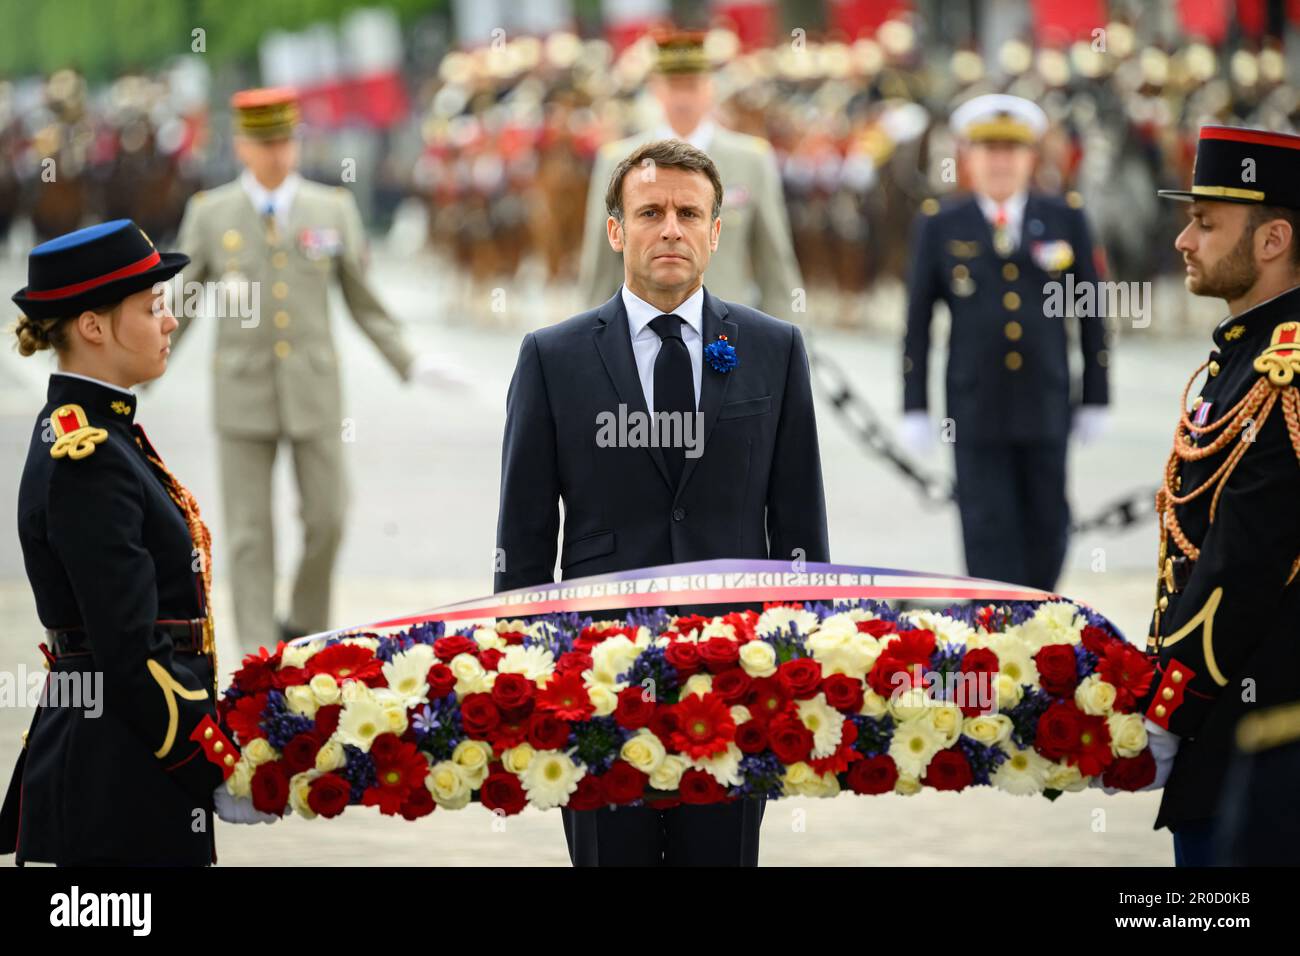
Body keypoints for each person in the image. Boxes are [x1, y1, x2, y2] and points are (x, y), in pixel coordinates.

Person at [495, 139, 828, 866]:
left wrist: (806, 662)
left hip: (740, 678)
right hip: (596, 684)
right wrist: (524, 675)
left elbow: (800, 523)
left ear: (716, 231)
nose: (670, 228)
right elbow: (523, 540)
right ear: (614, 230)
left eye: (688, 212)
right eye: (650, 212)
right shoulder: (553, 358)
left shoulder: (774, 349)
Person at [0, 220, 269, 867]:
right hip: (118, 774)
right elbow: (129, 648)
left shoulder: (104, 433)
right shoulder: (86, 457)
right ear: (93, 327)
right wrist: (212, 761)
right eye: (150, 308)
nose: (170, 321)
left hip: (131, 756)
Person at [172, 87, 464, 652]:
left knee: (328, 518)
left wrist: (411, 360)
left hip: (314, 391)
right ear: (241, 147)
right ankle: (258, 655)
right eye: (263, 143)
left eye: (283, 141)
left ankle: (303, 628)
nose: (276, 153)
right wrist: (133, 366)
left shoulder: (332, 209)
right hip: (242, 394)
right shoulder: (211, 214)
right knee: (250, 536)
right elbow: (182, 304)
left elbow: (362, 300)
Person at [1141, 124, 1300, 866]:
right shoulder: (1247, 353)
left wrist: (1171, 706)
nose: (1184, 240)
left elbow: (1247, 556)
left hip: (1258, 721)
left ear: (1272, 241)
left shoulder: (1287, 371)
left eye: (1206, 224)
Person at [900, 93, 1111, 592]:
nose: (999, 161)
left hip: (1046, 400)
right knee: (986, 525)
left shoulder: (1065, 218)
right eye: (988, 149)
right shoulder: (940, 224)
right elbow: (916, 321)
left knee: (1048, 521)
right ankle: (997, 634)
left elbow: (1091, 313)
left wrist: (1097, 394)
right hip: (974, 408)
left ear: (1030, 158)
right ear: (968, 157)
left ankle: (1041, 622)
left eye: (1011, 151)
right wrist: (914, 404)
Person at [577, 29, 803, 322]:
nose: (683, 98)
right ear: (656, 89)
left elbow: (775, 266)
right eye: (674, 86)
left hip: (726, 341)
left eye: (692, 86)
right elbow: (599, 268)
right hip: (640, 337)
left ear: (710, 88)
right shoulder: (618, 161)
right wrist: (587, 347)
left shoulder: (751, 161)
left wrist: (791, 349)